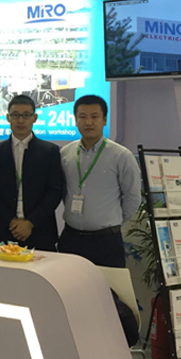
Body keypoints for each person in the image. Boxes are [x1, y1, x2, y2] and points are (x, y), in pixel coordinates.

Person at [58, 94, 141, 268]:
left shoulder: (121, 156)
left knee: (108, 285)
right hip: (71, 238)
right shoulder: (66, 153)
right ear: (75, 121)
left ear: (104, 120)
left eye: (94, 116)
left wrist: (112, 222)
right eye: (82, 117)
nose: (88, 122)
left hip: (106, 241)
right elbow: (62, 189)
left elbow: (132, 197)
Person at [0, 95, 64, 251]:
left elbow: (54, 191)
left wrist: (30, 222)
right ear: (8, 118)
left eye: (26, 115)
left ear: (34, 118)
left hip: (40, 231)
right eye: (15, 115)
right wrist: (12, 221)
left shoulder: (49, 151)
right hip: (5, 230)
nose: (20, 120)